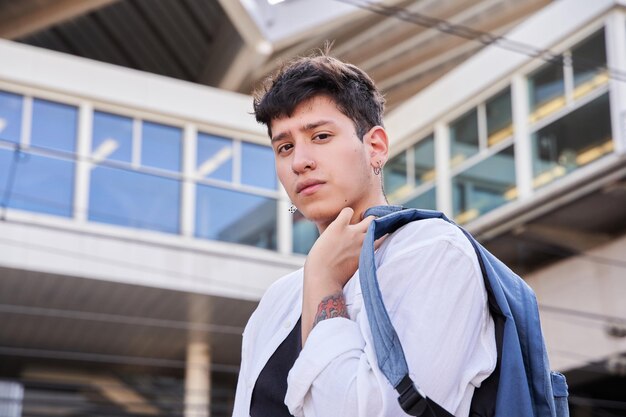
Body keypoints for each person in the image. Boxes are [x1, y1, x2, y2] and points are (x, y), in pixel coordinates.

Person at [232, 52, 497, 417]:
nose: (299, 162)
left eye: (320, 136)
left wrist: (324, 278)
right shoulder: (277, 301)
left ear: (375, 147)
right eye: (285, 147)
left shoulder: (433, 251)